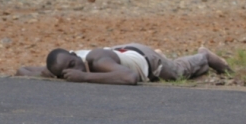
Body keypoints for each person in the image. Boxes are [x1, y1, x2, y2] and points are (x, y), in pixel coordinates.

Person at [16, 44, 232, 85]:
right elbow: (23, 70)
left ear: (75, 55)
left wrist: (84, 77)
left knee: (177, 72)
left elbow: (130, 78)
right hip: (122, 51)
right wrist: (53, 74)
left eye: (73, 64)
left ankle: (203, 56)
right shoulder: (65, 67)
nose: (74, 70)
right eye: (66, 71)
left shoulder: (95, 61)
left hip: (146, 60)